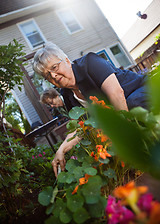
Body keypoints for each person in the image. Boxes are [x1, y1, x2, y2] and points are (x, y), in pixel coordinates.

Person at [33, 42, 149, 176]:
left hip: (140, 94)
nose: (53, 76)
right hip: (120, 118)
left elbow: (116, 94)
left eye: (54, 67)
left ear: (66, 60)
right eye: (47, 75)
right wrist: (62, 148)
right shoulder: (67, 94)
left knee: (131, 104)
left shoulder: (90, 62)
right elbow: (82, 127)